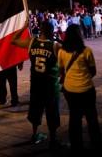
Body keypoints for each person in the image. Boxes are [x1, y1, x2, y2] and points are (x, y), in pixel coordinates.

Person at [12, 20, 62, 149]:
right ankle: (53, 139)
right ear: (51, 30)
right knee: (52, 111)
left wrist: (23, 27)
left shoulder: (31, 42)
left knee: (35, 110)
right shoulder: (55, 46)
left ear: (41, 30)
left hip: (36, 84)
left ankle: (34, 135)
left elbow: (14, 40)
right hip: (50, 85)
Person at [58, 24, 102, 154]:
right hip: (87, 89)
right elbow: (93, 71)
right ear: (79, 35)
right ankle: (97, 144)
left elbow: (61, 71)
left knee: (74, 118)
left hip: (70, 90)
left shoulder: (61, 51)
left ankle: (76, 147)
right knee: (92, 118)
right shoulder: (87, 51)